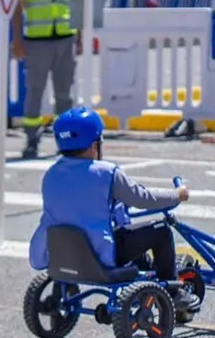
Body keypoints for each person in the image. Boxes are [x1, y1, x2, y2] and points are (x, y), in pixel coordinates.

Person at [28, 107, 201, 314]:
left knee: (121, 234)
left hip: (61, 256)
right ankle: (173, 291)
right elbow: (142, 198)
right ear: (94, 145)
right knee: (161, 231)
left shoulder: (51, 174)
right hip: (101, 256)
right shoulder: (107, 173)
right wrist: (177, 194)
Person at [11, 0, 80, 159]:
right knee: (35, 92)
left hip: (65, 37)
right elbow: (17, 6)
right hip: (37, 41)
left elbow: (75, 1)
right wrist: (17, 40)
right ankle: (32, 140)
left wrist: (80, 35)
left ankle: (66, 142)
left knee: (64, 95)